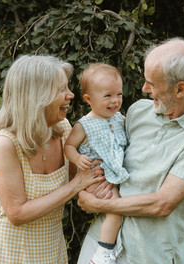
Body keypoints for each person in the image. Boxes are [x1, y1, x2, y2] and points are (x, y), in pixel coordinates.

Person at [77, 37, 184, 264]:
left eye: (152, 83)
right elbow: (99, 152)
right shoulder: (138, 111)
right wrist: (85, 187)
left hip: (147, 255)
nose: (144, 89)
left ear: (180, 89)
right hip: (100, 244)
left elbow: (163, 203)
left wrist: (98, 205)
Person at [0, 55, 106, 264]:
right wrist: (75, 186)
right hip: (11, 254)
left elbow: (83, 181)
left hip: (52, 251)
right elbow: (17, 214)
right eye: (61, 90)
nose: (71, 95)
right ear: (36, 96)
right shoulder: (6, 143)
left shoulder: (64, 129)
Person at [65, 63, 129, 264]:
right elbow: (68, 147)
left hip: (112, 173)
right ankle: (104, 253)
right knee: (116, 209)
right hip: (96, 176)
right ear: (88, 99)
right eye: (107, 96)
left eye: (118, 94)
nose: (115, 101)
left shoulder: (119, 118)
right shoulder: (84, 125)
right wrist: (77, 158)